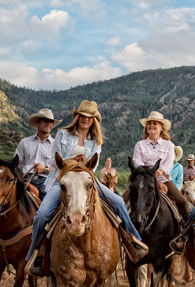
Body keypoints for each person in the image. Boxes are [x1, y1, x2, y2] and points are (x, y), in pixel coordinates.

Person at [26, 100, 144, 276]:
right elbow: (53, 161)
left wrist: (84, 164)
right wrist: (73, 162)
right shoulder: (62, 134)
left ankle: (133, 241)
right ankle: (35, 255)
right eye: (83, 116)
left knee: (118, 202)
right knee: (42, 215)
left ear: (94, 120)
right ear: (77, 117)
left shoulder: (96, 141)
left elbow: (93, 168)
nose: (86, 119)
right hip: (62, 179)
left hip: (86, 179)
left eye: (90, 117)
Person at [0, 108, 60, 256]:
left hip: (44, 181)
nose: (48, 124)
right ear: (38, 123)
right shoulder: (25, 143)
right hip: (23, 179)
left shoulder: (56, 145)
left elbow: (58, 167)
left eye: (50, 122)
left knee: (51, 206)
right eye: (45, 121)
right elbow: (17, 164)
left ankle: (50, 243)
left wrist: (45, 169)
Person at [127, 111, 191, 220]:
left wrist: (160, 171)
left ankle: (187, 232)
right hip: (143, 180)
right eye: (149, 123)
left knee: (183, 203)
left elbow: (169, 162)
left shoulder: (169, 145)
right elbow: (137, 162)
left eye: (155, 123)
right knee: (122, 202)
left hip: (164, 179)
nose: (151, 125)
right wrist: (149, 174)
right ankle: (122, 232)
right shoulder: (139, 145)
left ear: (162, 128)